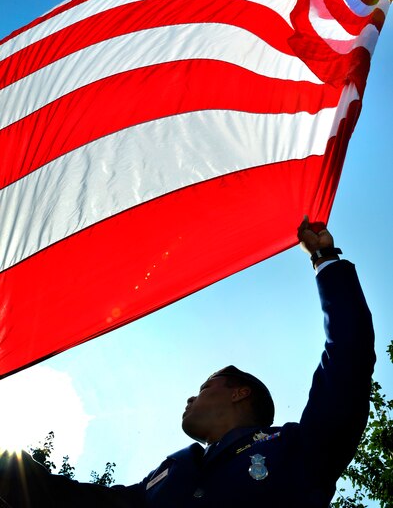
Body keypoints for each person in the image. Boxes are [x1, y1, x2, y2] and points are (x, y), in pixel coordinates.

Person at [0, 217, 375, 507]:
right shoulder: (168, 474)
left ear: (239, 393)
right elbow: (71, 500)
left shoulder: (297, 447)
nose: (190, 399)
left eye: (204, 387)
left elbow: (348, 359)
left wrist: (325, 260)